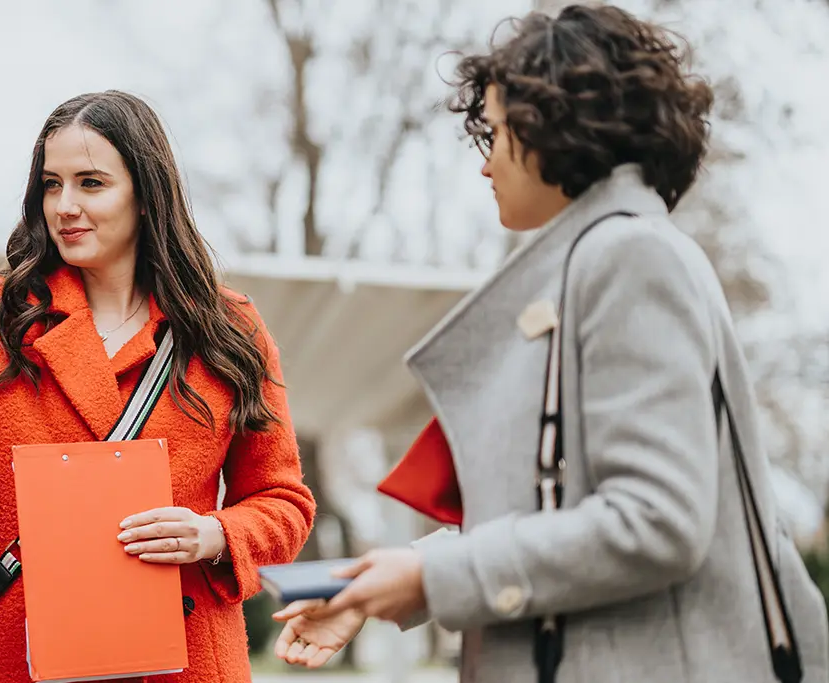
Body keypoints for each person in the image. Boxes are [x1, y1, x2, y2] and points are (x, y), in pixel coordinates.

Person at [273, 5, 829, 682]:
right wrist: (393, 578)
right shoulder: (613, 256)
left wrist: (432, 572)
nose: (486, 166)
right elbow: (565, 511)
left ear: (556, 127)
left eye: (500, 132)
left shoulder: (627, 258)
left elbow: (656, 520)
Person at [0, 90, 316, 682]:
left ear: (147, 196)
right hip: (18, 657)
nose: (64, 205)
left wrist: (213, 534)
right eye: (51, 184)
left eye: (90, 183)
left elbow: (284, 501)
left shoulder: (227, 329)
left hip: (182, 658)